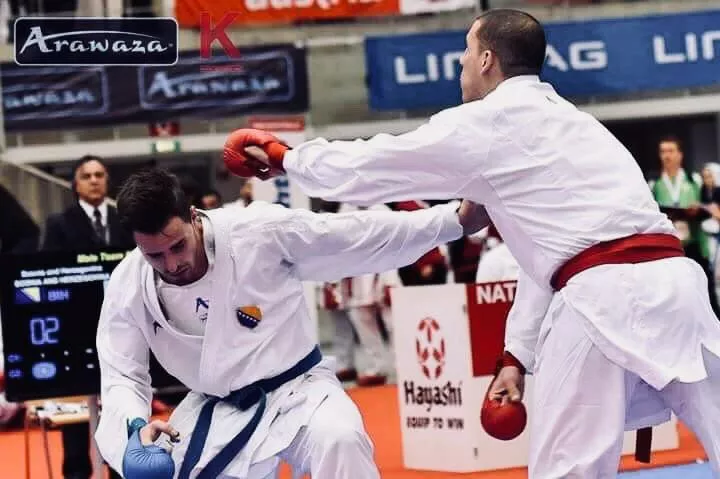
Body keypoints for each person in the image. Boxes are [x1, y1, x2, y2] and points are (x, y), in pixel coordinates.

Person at [225, 9, 720, 477]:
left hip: (603, 300)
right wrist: (515, 357)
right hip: (680, 291)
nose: (460, 62)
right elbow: (555, 259)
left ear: (487, 59)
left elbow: (377, 164)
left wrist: (287, 159)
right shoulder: (581, 125)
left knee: (567, 469)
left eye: (466, 49)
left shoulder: (488, 121)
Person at [94, 168, 485, 478]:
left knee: (340, 438)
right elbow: (122, 373)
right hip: (217, 408)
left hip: (299, 391)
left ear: (193, 217)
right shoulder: (130, 283)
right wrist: (134, 428)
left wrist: (452, 220)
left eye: (178, 245)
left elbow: (353, 236)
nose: (172, 263)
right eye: (155, 255)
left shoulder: (256, 232)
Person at [42, 155, 134, 479]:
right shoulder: (59, 223)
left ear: (107, 180)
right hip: (76, 331)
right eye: (87, 175)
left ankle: (120, 468)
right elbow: (50, 271)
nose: (94, 180)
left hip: (122, 329)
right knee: (76, 426)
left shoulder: (125, 219)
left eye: (99, 174)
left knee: (122, 411)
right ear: (76, 184)